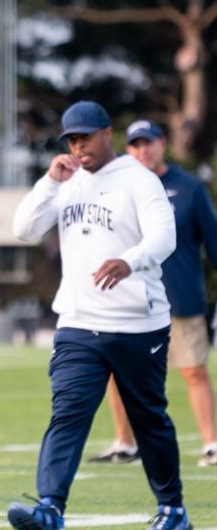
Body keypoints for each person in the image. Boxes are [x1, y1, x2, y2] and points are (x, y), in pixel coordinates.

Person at [8, 100, 191, 530]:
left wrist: (129, 262)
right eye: (71, 139)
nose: (78, 146)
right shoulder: (66, 182)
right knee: (67, 412)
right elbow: (24, 229)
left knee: (148, 418)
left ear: (108, 133)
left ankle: (172, 508)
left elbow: (164, 237)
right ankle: (50, 507)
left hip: (137, 324)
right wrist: (50, 182)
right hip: (78, 322)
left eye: (85, 137)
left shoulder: (138, 179)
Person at [87, 120, 217, 468]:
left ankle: (212, 443)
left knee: (193, 370)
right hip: (130, 301)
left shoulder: (189, 188)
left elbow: (214, 243)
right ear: (127, 149)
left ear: (163, 144)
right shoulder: (119, 188)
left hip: (180, 298)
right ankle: (126, 443)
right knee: (117, 372)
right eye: (135, 144)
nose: (143, 150)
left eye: (149, 142)